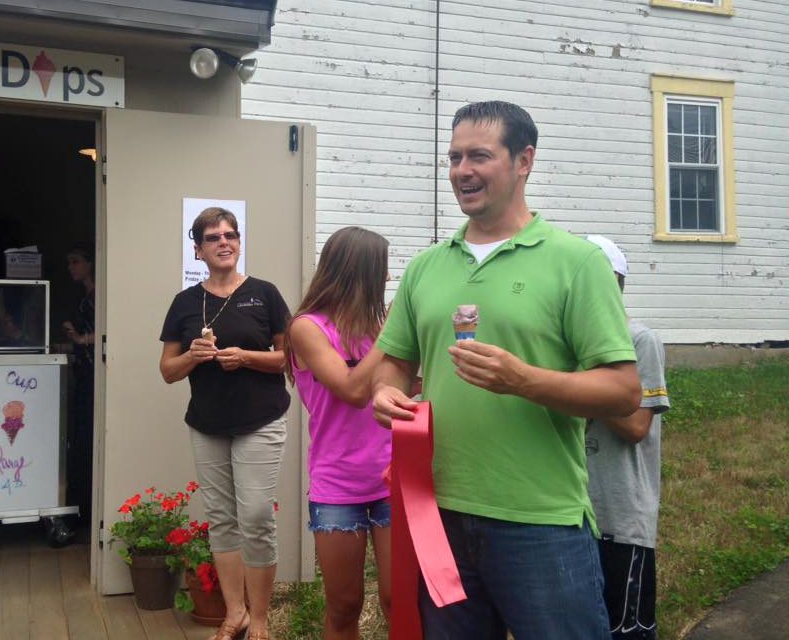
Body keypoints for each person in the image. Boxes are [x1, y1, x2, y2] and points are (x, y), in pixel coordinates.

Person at [371, 101, 642, 640]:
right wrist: (386, 393)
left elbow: (623, 392)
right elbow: (396, 362)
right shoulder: (427, 266)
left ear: (524, 161)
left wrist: (524, 380)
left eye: (479, 156)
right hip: (438, 516)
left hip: (540, 522)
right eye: (453, 158)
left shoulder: (576, 262)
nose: (461, 171)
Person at [159, 207, 290, 640]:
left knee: (255, 515)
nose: (224, 242)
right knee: (221, 518)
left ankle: (262, 618)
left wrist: (247, 358)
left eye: (230, 234)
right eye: (212, 237)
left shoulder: (264, 294)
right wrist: (192, 356)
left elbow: (289, 359)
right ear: (197, 249)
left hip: (260, 421)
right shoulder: (184, 302)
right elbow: (168, 370)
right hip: (207, 424)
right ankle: (235, 613)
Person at [285, 226, 392, 639]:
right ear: (358, 271)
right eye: (380, 268)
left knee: (398, 599)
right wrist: (391, 334)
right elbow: (351, 391)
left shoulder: (380, 325)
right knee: (345, 605)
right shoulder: (307, 328)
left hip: (392, 475)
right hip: (337, 482)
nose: (386, 278)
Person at [584, 235, 670, 640]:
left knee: (626, 629)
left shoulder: (640, 340)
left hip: (620, 516)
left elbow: (637, 427)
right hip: (572, 515)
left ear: (612, 283)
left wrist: (583, 387)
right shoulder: (569, 344)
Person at [63, 242, 96, 525]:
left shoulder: (99, 295)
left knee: (87, 434)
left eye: (75, 261)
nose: (71, 268)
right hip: (84, 370)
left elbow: (110, 329)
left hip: (95, 374)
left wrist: (83, 339)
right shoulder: (84, 295)